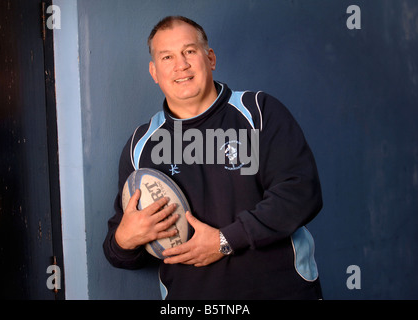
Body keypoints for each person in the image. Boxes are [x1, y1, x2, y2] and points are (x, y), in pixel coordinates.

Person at [103, 15, 323, 300]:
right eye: (167, 57)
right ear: (154, 72)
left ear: (211, 58)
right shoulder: (140, 146)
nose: (180, 65)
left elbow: (301, 193)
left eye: (189, 51)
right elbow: (119, 252)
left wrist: (225, 241)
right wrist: (125, 239)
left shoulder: (259, 112)